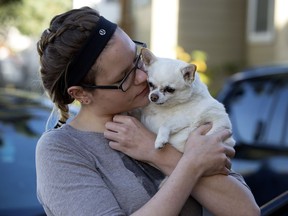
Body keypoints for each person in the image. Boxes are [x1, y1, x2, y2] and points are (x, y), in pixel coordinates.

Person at [36, 6, 260, 216]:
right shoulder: (62, 150)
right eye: (124, 76)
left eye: (137, 59)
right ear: (81, 94)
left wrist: (156, 153)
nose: (143, 77)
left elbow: (246, 211)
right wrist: (191, 164)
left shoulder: (165, 109)